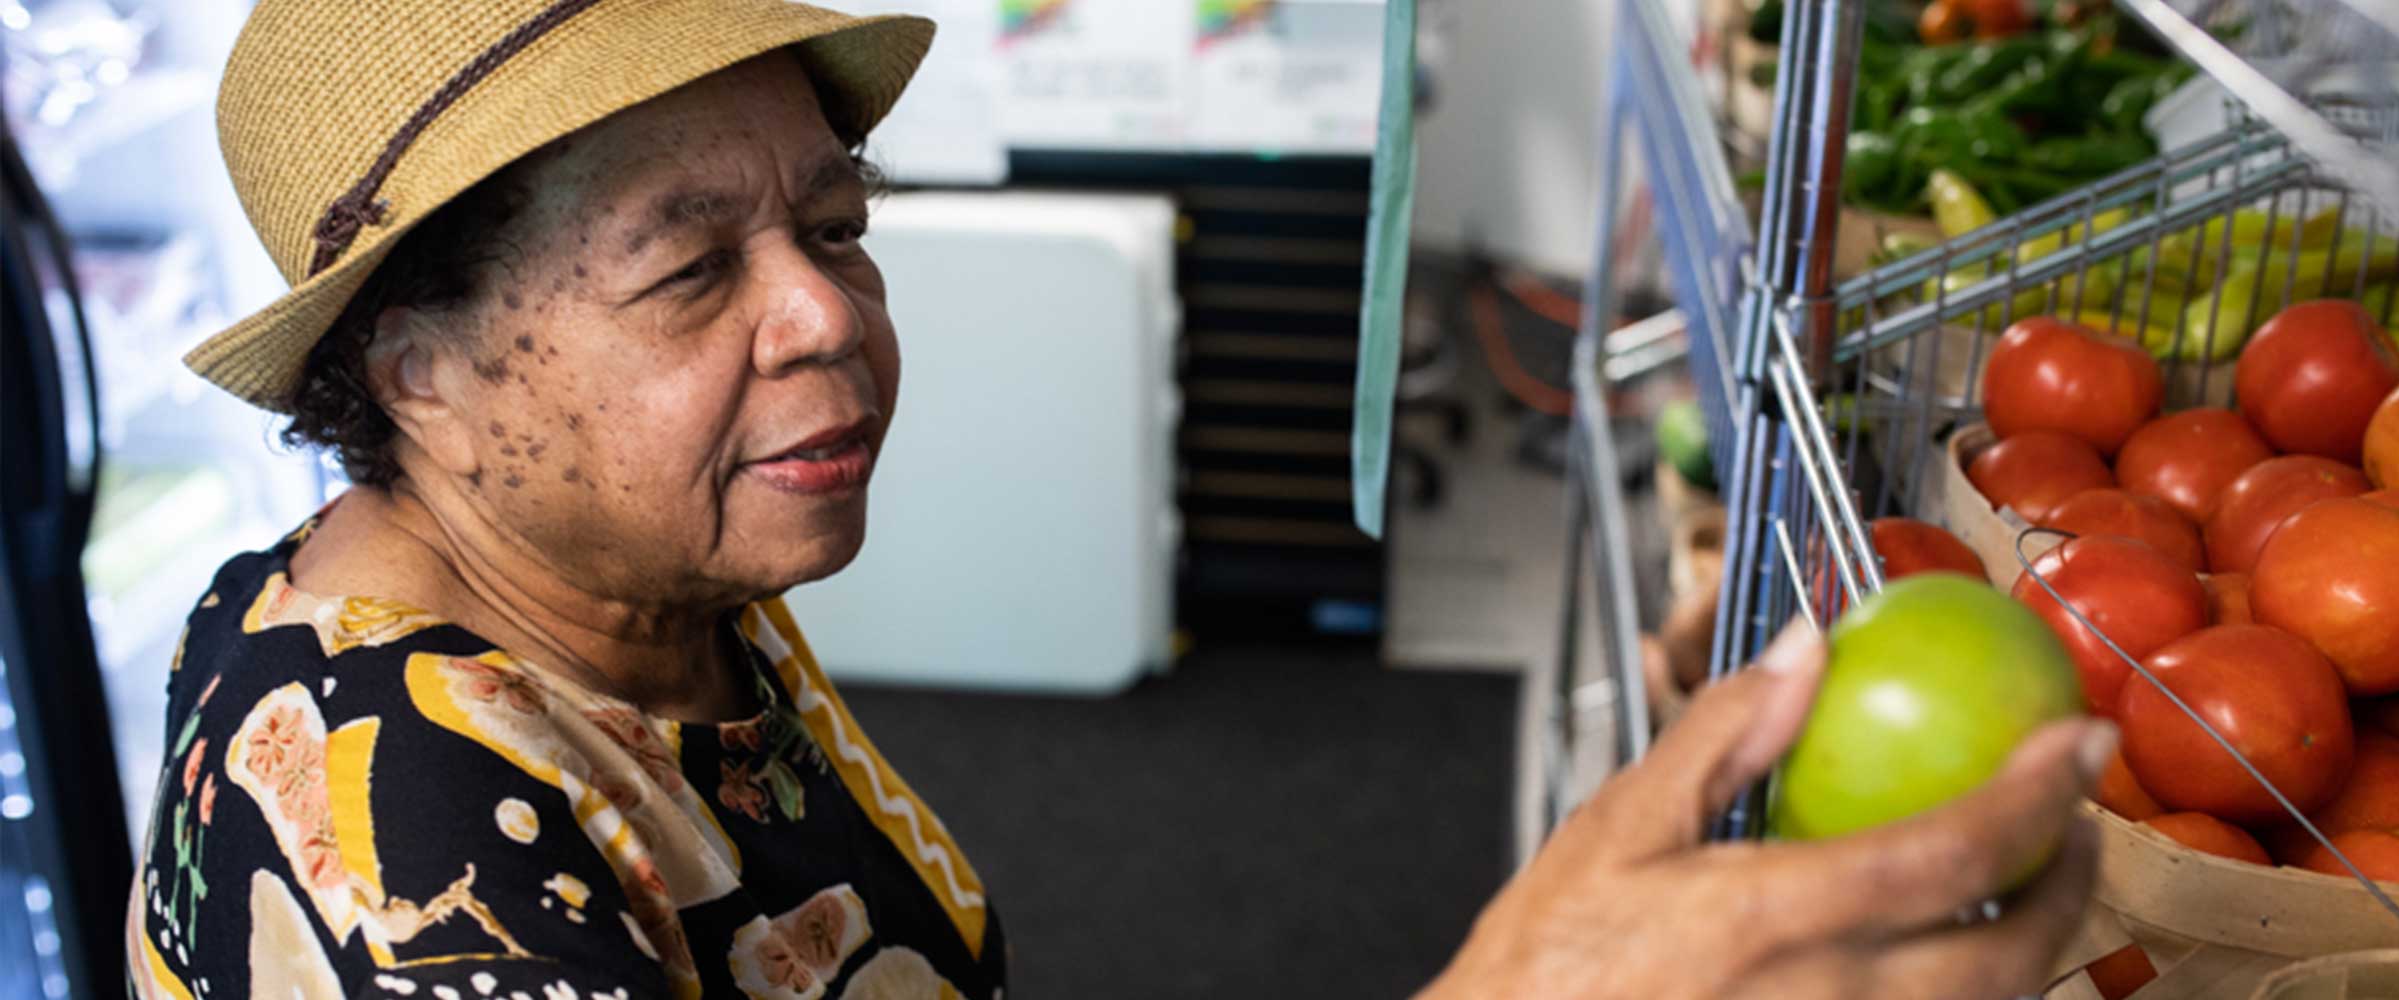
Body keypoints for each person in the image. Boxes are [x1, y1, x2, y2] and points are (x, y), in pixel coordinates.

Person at [128, 2, 2110, 997]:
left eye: (831, 223)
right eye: (689, 268)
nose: (828, 310)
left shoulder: (634, 585)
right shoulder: (414, 870)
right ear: (417, 368)